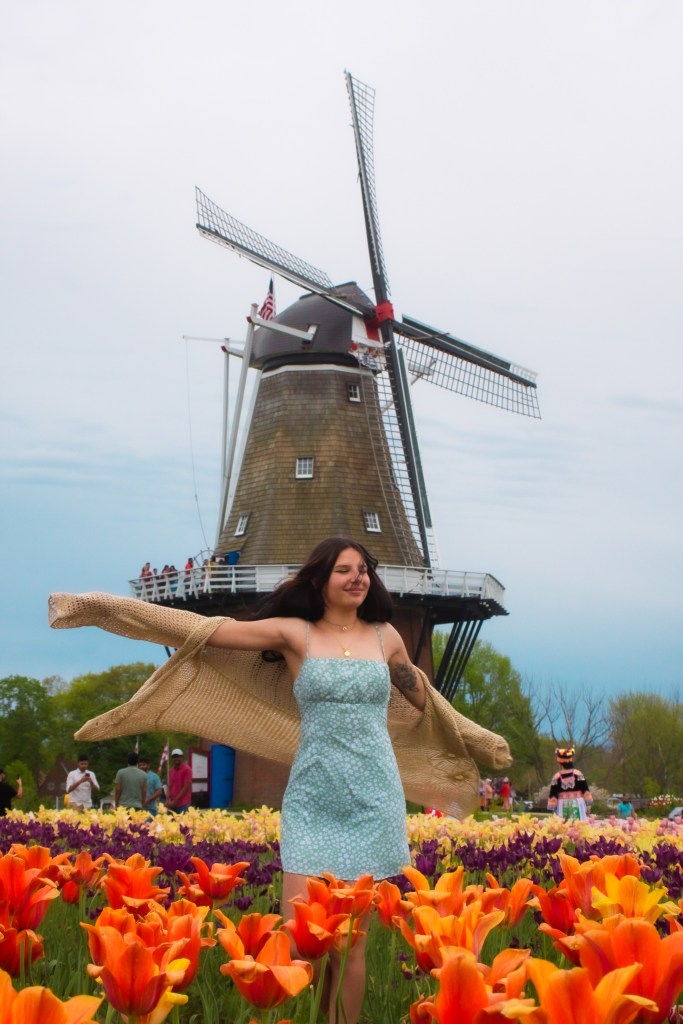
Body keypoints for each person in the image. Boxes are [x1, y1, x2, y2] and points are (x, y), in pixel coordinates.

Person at [48, 535, 513, 1024]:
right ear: (320, 579)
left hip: (374, 798)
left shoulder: (386, 637)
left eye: (362, 569)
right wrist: (105, 608)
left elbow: (426, 700)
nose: (357, 578)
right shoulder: (295, 634)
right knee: (300, 937)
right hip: (314, 797)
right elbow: (209, 630)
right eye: (344, 570)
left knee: (351, 944)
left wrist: (477, 738)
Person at [547, 746, 593, 821]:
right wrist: (588, 806)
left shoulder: (556, 777)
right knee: (578, 825)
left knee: (564, 825)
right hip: (578, 804)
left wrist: (553, 810)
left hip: (562, 806)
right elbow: (585, 790)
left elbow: (553, 795)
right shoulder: (578, 774)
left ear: (559, 762)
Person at [167, 748, 192, 813]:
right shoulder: (171, 770)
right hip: (172, 803)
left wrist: (175, 801)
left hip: (183, 804)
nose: (176, 759)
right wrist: (168, 799)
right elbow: (170, 786)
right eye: (174, 757)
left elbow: (186, 787)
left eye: (178, 757)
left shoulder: (187, 769)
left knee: (183, 820)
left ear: (181, 757)